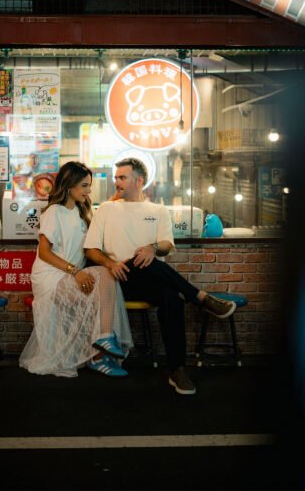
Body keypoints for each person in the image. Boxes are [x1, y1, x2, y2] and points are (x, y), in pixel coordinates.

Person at [83, 157, 237, 395]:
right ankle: (200, 298)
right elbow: (90, 249)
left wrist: (152, 248)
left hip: (151, 282)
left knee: (171, 295)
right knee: (139, 262)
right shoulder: (106, 209)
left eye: (122, 177)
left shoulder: (158, 210)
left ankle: (177, 370)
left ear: (139, 181)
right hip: (116, 281)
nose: (117, 182)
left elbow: (166, 244)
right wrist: (111, 263)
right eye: (116, 178)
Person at [19, 161, 133, 378]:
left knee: (104, 284)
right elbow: (44, 252)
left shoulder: (81, 213)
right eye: (84, 185)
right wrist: (75, 271)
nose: (89, 190)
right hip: (51, 277)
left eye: (89, 185)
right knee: (103, 275)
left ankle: (99, 353)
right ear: (69, 186)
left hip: (70, 276)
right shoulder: (55, 212)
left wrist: (118, 198)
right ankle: (102, 343)